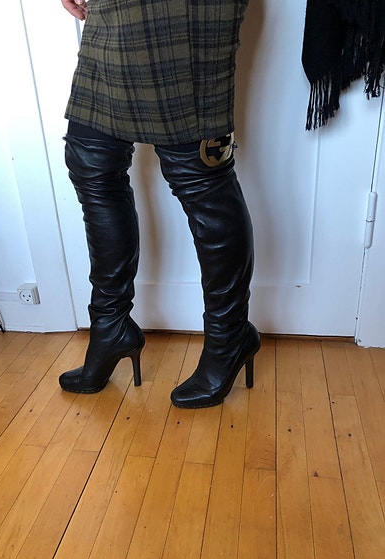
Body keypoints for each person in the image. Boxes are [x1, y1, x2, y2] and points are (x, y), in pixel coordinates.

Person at [59, 0, 260, 408]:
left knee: (201, 179)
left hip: (188, 10)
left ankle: (230, 337)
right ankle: (110, 328)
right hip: (112, 9)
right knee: (92, 161)